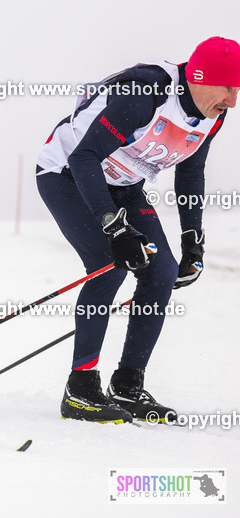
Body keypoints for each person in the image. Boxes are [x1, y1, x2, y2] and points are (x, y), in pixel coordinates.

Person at [36, 36, 238, 424]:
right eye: (227, 88)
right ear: (199, 77)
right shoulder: (145, 94)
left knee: (160, 272)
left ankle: (127, 387)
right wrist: (114, 228)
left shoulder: (214, 112)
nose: (232, 101)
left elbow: (191, 170)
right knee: (109, 263)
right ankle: (80, 390)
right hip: (68, 175)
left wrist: (192, 240)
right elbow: (84, 157)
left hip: (124, 184)